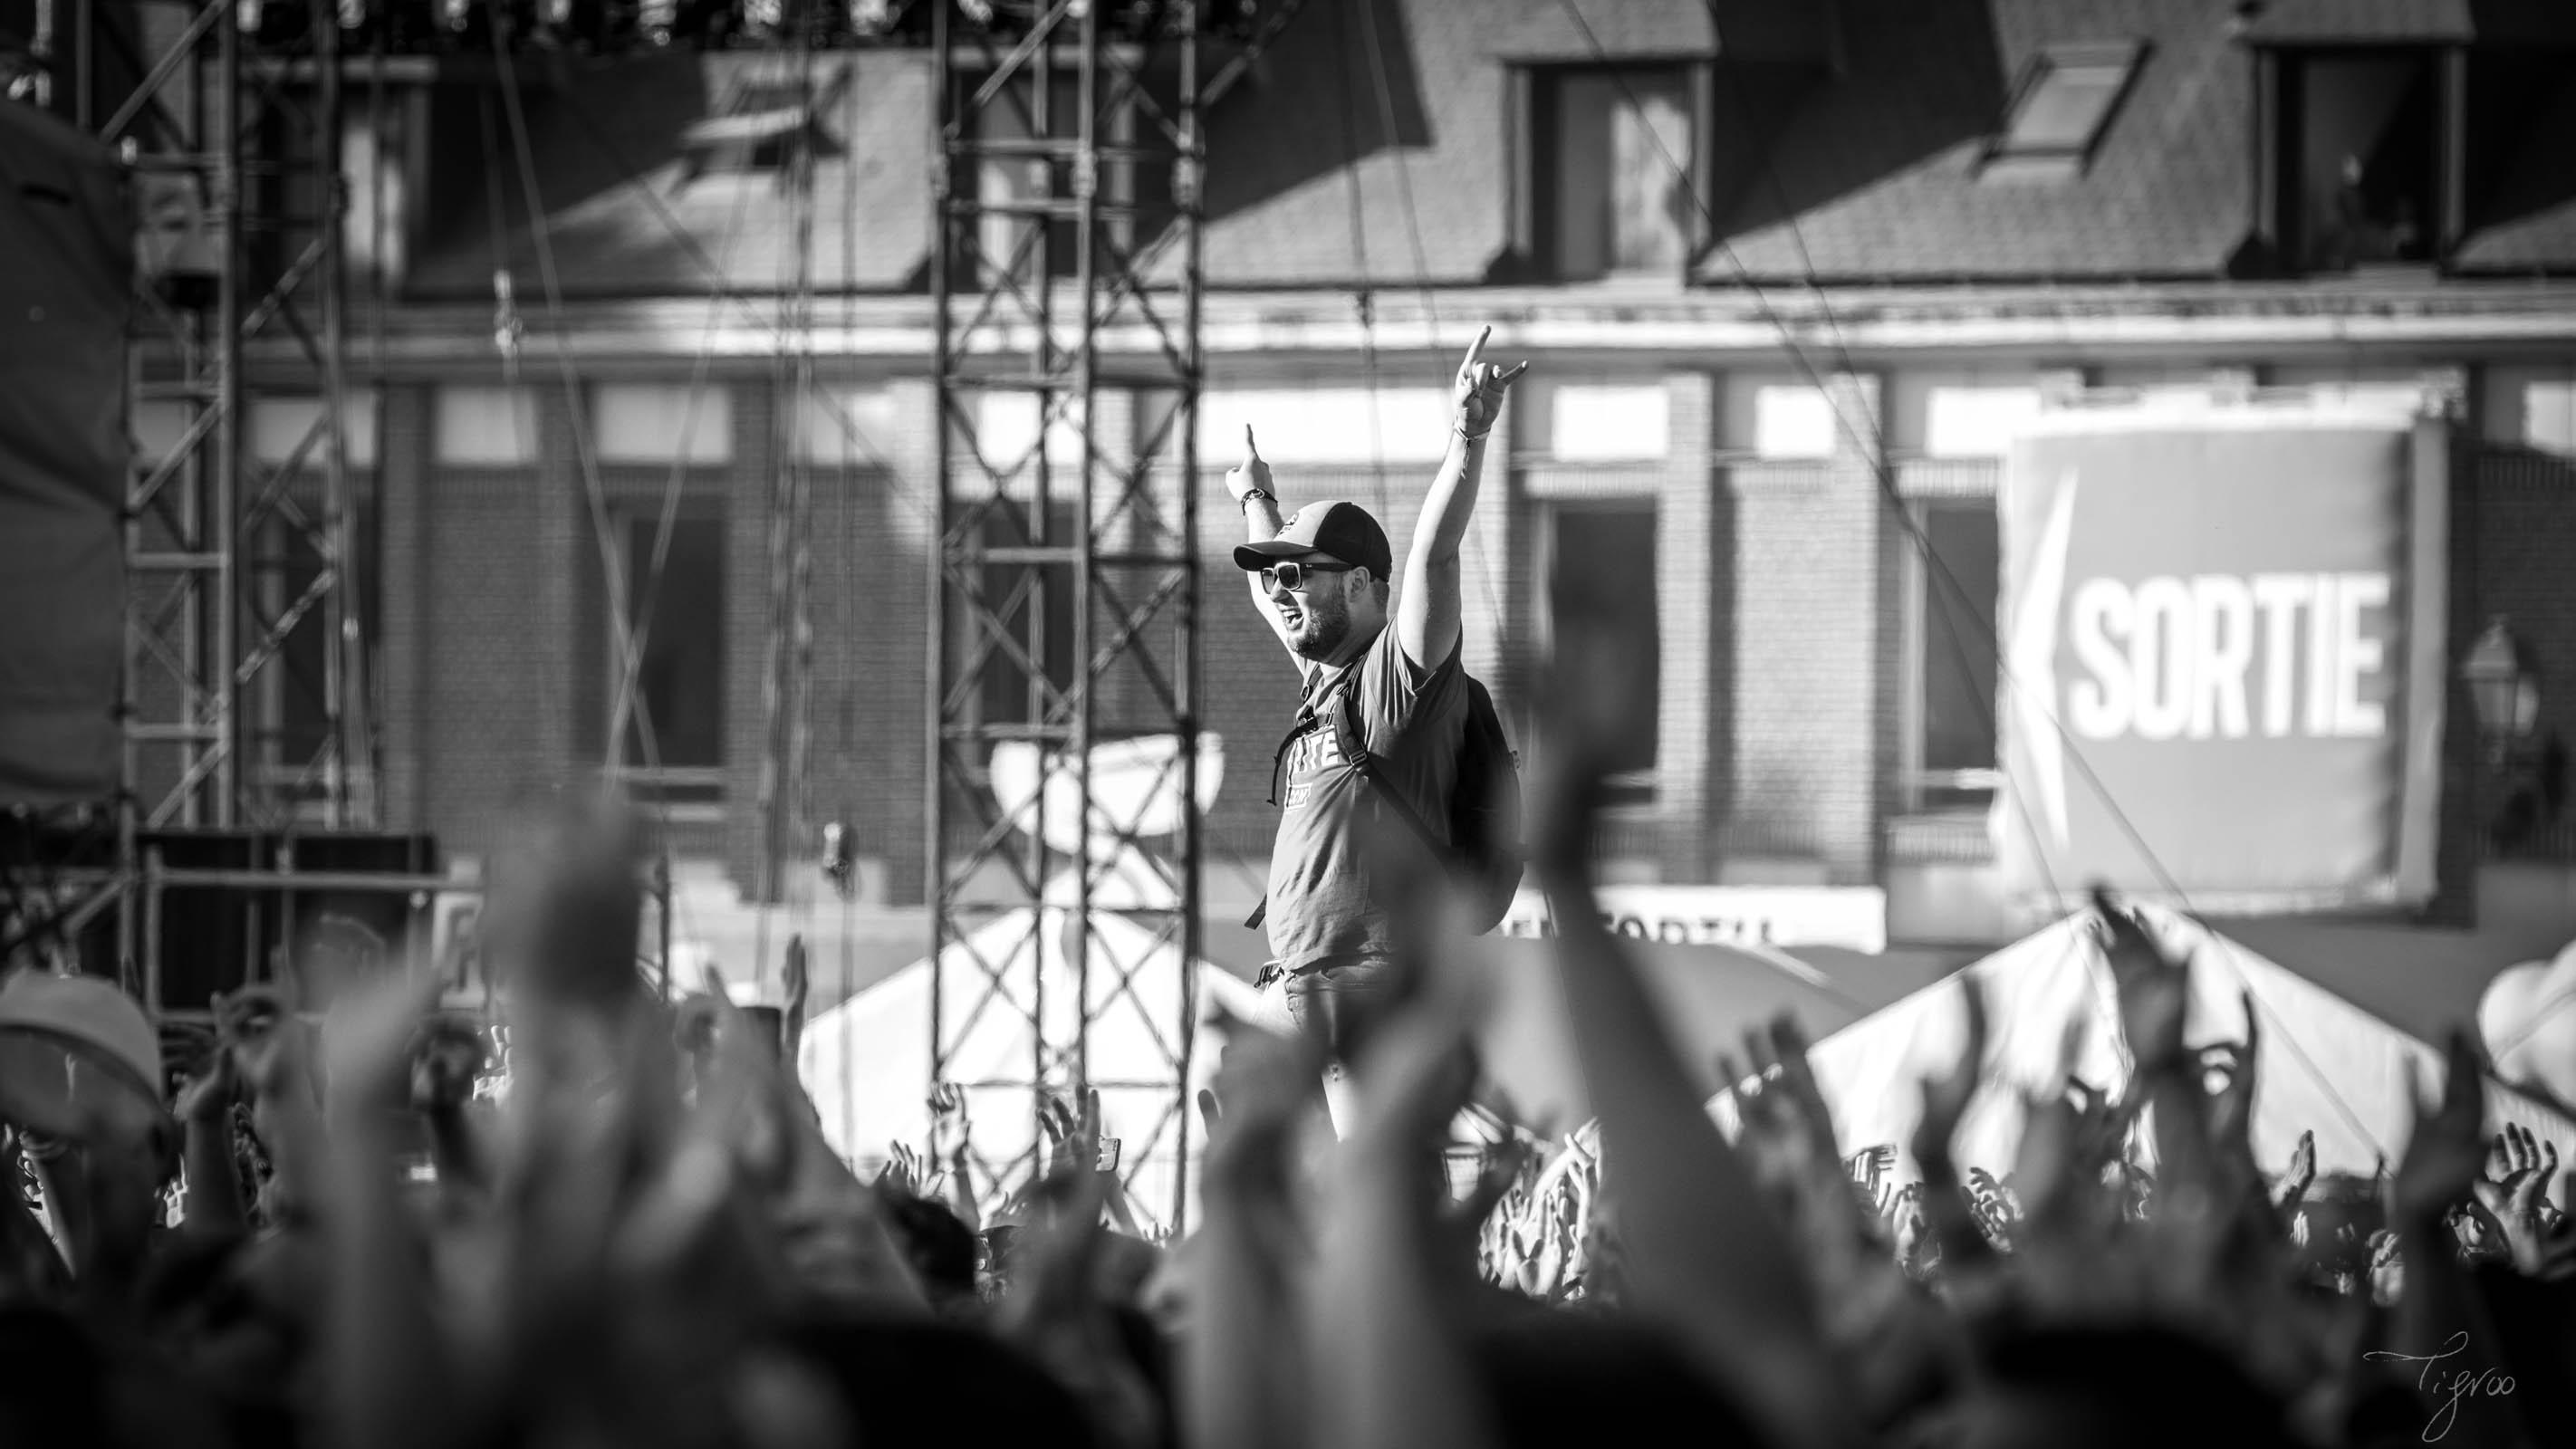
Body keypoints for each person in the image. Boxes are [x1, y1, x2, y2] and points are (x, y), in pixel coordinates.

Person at [1224, 328, 1527, 1123]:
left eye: (1298, 575)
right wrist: (1256, 496)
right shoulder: (1322, 686)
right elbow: (1270, 596)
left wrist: (1468, 437)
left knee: (1376, 1206)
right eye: (1273, 574)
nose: (1279, 590)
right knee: (1245, 1169)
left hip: (1371, 997)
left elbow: (1435, 557)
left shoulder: (1400, 681)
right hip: (1294, 992)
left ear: (1360, 584)